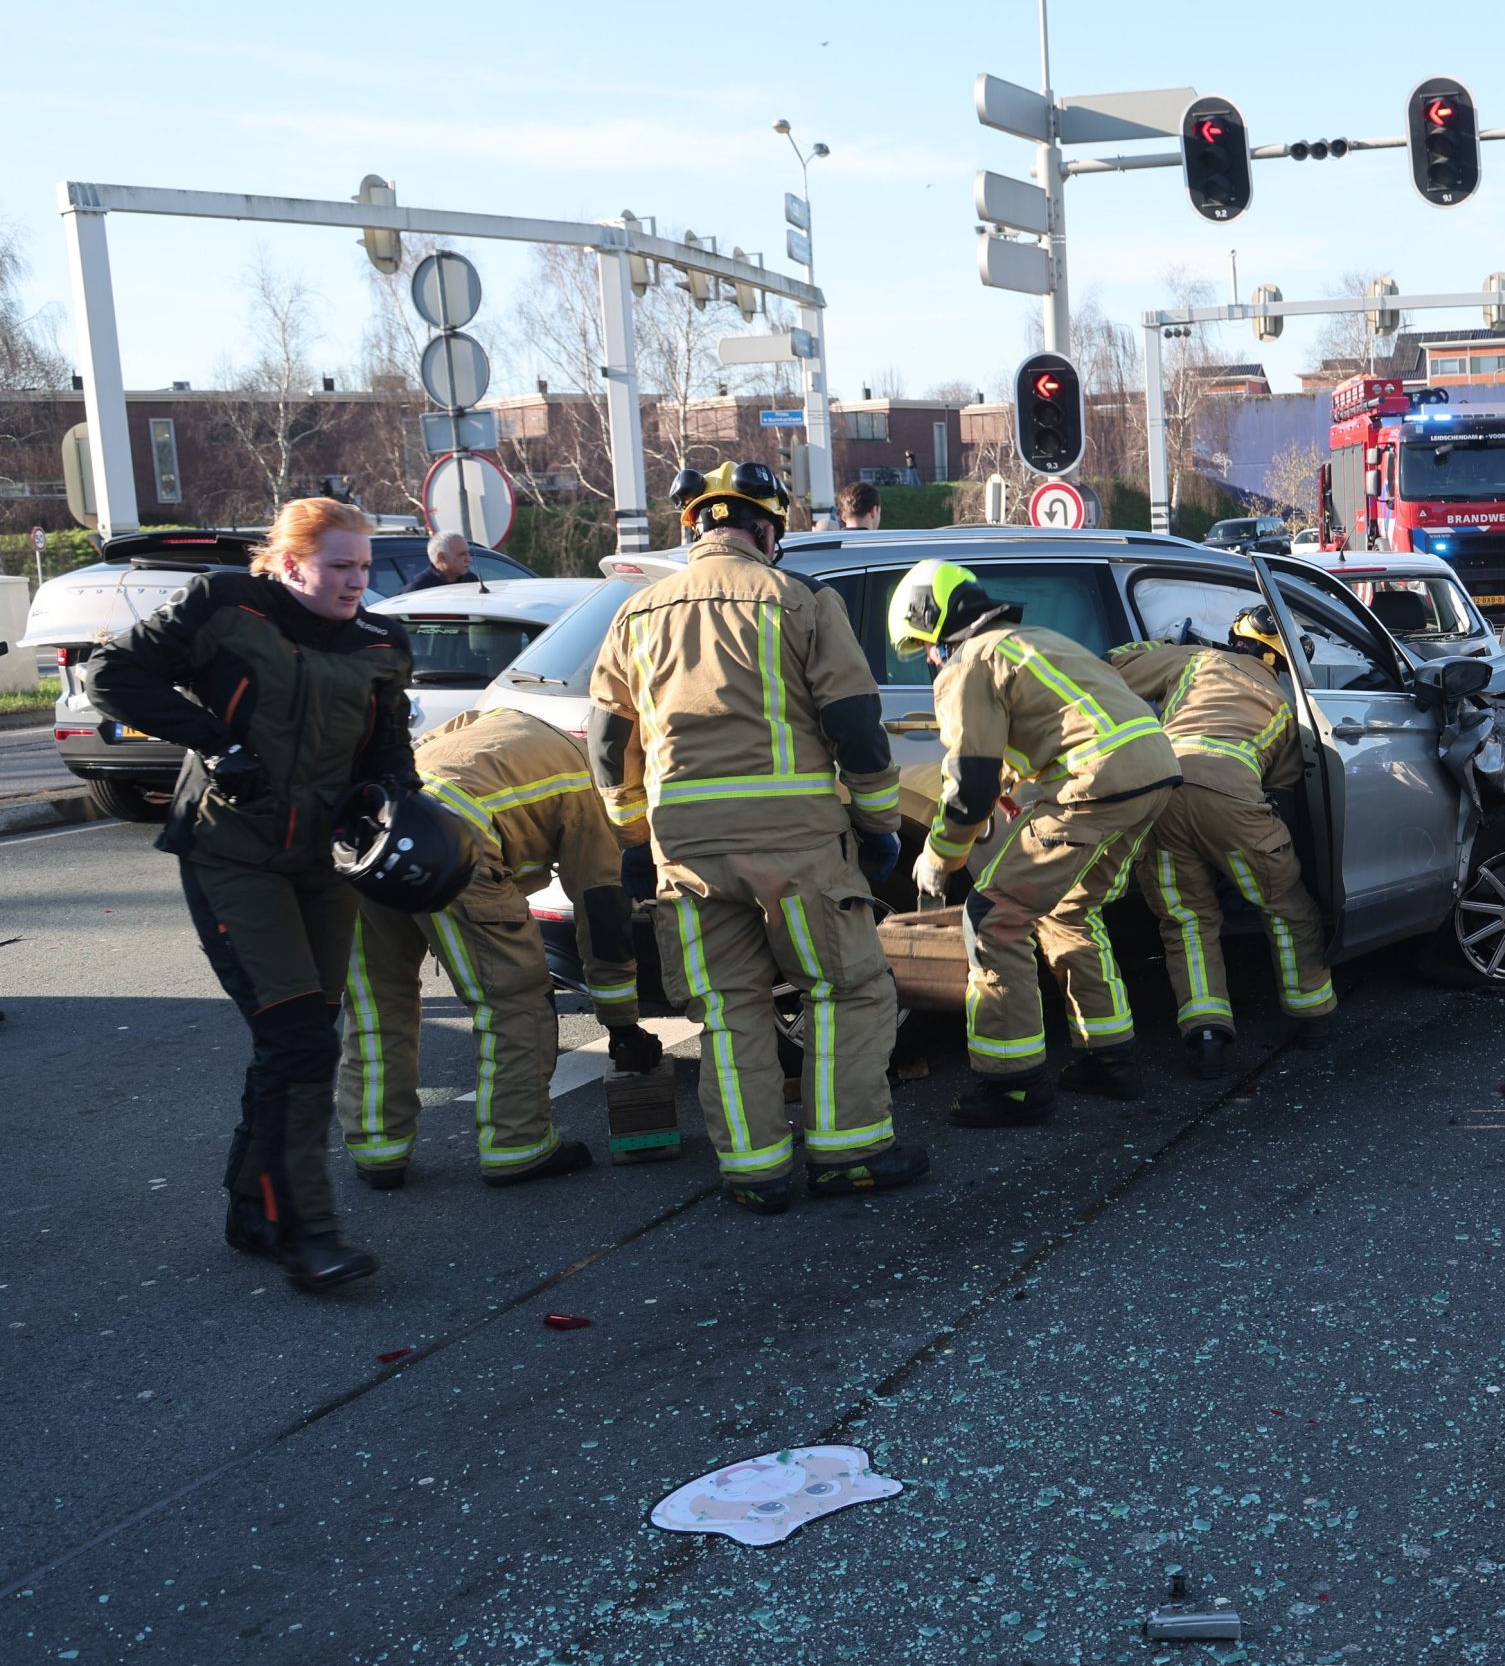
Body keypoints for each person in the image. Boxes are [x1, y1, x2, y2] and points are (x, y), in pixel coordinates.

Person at [87, 496, 418, 1292]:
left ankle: (253, 1209)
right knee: (300, 1040)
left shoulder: (379, 641)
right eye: (341, 566)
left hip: (321, 864)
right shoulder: (226, 605)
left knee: (299, 1039)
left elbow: (389, 758)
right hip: (231, 853)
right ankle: (308, 1231)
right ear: (291, 562)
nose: (356, 583)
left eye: (365, 568)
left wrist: (408, 824)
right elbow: (112, 673)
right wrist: (215, 739)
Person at [587, 460, 921, 1214]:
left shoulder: (635, 615)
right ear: (768, 529)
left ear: (697, 525)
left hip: (687, 854)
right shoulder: (799, 600)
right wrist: (877, 828)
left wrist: (635, 838)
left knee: (728, 1008)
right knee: (846, 990)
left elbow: (609, 744)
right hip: (797, 845)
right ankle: (850, 1153)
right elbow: (856, 730)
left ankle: (755, 1171)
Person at [890, 559, 1180, 1122]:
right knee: (1069, 912)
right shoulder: (1031, 640)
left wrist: (939, 855)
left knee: (994, 914)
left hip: (1095, 784)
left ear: (938, 623)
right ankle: (1110, 1061)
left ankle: (1013, 1086)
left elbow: (970, 782)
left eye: (924, 645)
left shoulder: (968, 662)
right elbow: (1035, 737)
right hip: (1151, 772)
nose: (928, 659)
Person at [336, 707, 661, 1189]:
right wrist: (623, 1024)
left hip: (379, 836)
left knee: (378, 1000)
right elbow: (602, 912)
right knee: (514, 999)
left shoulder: (498, 717)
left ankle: (377, 1149)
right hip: (456, 850)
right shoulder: (589, 789)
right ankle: (518, 1146)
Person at [1110, 606, 1334, 1078]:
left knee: (1186, 920)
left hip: (1161, 792)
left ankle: (1206, 1034)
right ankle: (1311, 1016)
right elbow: (1289, 785)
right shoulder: (1284, 701)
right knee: (1285, 906)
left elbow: (1118, 666)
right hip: (1234, 800)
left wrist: (1163, 646)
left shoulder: (1195, 661)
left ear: (1237, 640)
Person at [402, 530, 477, 593]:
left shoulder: (471, 580)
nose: (469, 559)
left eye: (468, 553)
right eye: (462, 555)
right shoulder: (418, 589)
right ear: (442, 557)